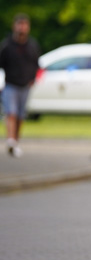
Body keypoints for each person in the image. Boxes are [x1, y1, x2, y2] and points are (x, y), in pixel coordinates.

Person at [0, 14, 41, 158]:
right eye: (19, 24)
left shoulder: (32, 45)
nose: (22, 28)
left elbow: (36, 64)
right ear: (14, 26)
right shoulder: (7, 45)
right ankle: (11, 140)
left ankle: (16, 141)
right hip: (11, 84)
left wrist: (33, 78)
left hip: (25, 85)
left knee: (21, 115)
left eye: (24, 25)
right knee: (11, 112)